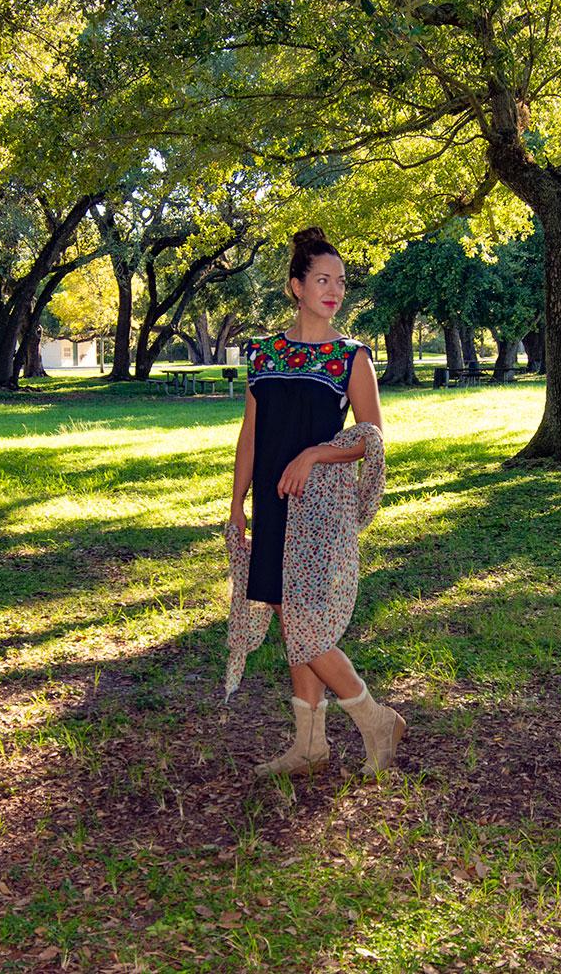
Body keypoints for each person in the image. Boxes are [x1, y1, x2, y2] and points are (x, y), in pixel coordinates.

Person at [229, 226, 405, 778]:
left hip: (321, 512)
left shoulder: (351, 357)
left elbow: (370, 439)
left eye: (341, 282)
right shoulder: (263, 353)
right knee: (292, 622)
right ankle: (309, 745)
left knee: (304, 623)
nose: (334, 291)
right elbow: (250, 435)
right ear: (296, 287)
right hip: (272, 507)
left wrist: (314, 455)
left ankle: (376, 719)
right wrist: (236, 504)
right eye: (323, 280)